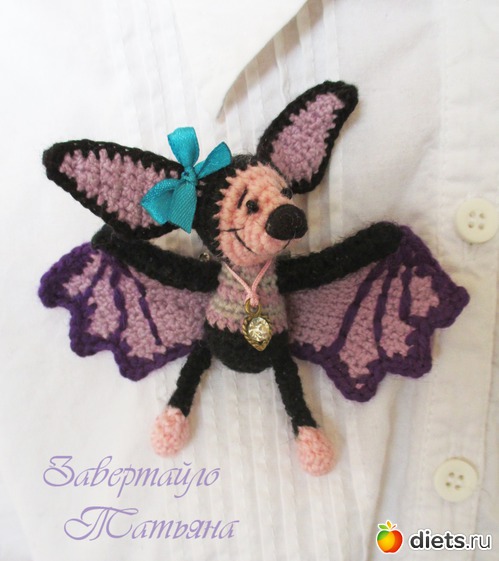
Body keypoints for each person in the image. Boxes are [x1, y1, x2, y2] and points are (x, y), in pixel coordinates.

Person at [0, 0, 497, 559]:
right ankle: (177, 408)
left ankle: (304, 426)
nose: (280, 215)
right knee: (199, 358)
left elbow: (334, 264)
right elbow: (157, 266)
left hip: (277, 335)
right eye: (255, 206)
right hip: (213, 335)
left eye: (279, 197)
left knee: (297, 356)